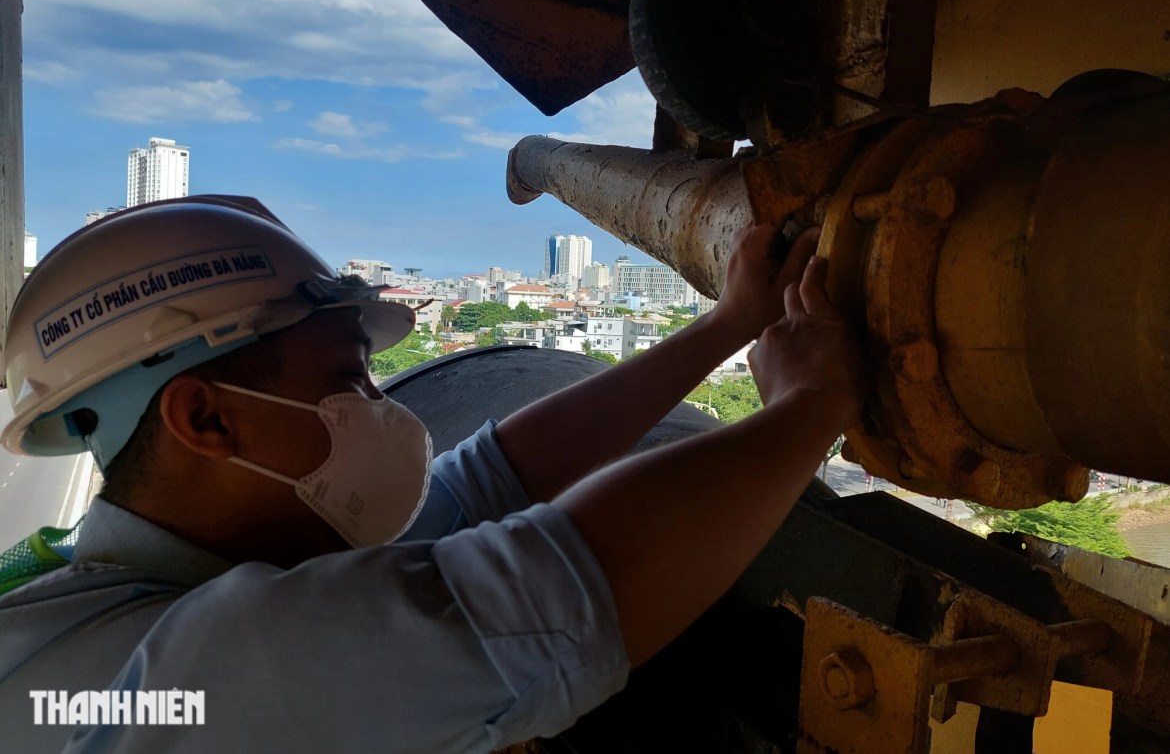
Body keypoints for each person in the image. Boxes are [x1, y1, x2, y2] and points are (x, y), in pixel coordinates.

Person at [0, 194, 862, 753]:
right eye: (346, 381)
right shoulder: (181, 672)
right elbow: (547, 603)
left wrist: (728, 325)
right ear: (207, 419)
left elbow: (492, 478)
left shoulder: (205, 564)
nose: (383, 410)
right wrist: (811, 405)